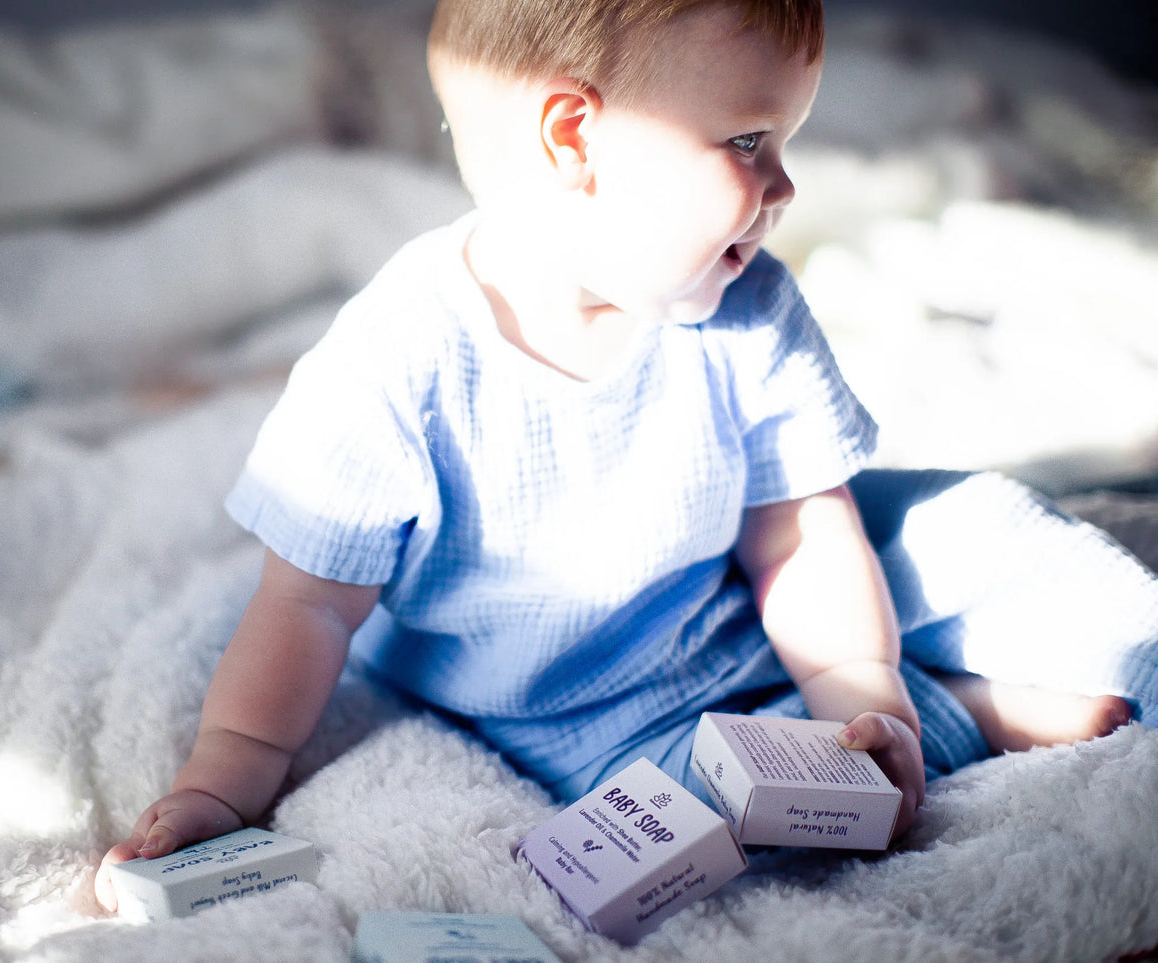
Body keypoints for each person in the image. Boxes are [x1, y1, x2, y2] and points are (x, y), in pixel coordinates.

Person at [96, 0, 1154, 911]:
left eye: (782, 141)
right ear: (574, 138)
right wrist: (222, 783)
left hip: (740, 603)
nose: (780, 184)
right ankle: (965, 711)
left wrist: (856, 689)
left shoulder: (748, 309)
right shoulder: (394, 364)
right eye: (746, 140)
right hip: (563, 704)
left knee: (968, 524)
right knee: (696, 819)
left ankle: (1059, 661)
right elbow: (306, 608)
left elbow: (800, 528)